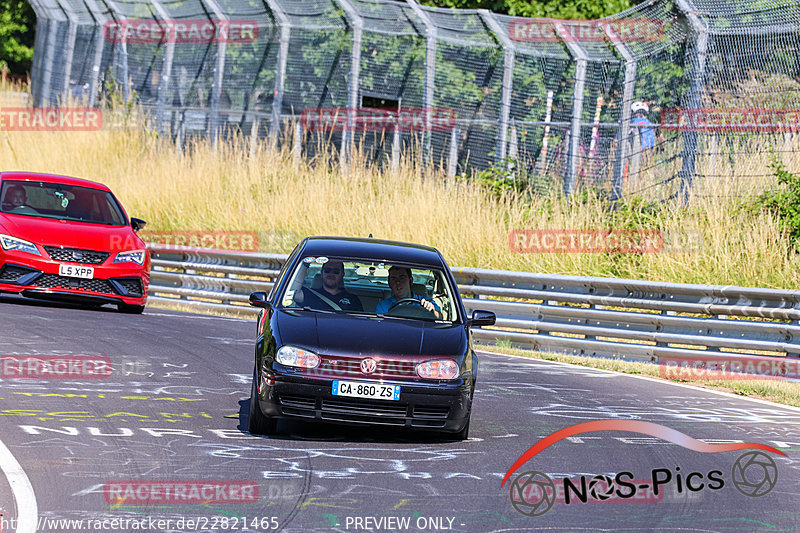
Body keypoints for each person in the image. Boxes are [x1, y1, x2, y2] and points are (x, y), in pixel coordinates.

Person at [376, 266, 440, 319]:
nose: (398, 282)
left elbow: (439, 317)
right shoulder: (383, 306)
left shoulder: (426, 302)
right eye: (393, 279)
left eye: (402, 278)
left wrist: (432, 311)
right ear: (389, 283)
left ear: (411, 281)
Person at [297, 260, 363, 311]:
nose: (331, 274)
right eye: (327, 270)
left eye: (336, 271)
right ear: (322, 273)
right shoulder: (310, 294)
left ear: (342, 275)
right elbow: (294, 293)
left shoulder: (353, 299)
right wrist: (305, 264)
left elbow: (360, 323)